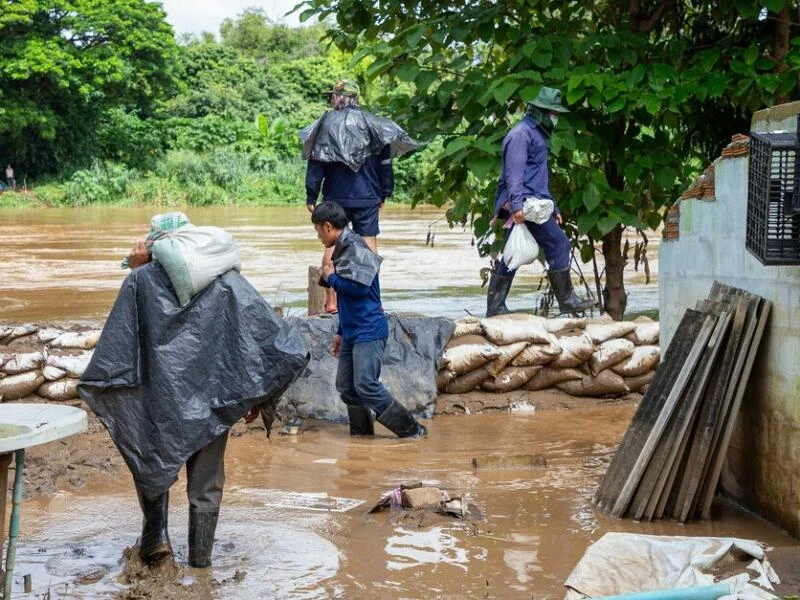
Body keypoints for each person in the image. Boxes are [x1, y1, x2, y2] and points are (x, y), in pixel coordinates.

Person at [78, 215, 309, 569]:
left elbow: (119, 350)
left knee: (152, 461)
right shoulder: (226, 281)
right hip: (213, 401)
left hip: (157, 403)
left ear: (155, 245)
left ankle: (156, 539)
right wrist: (257, 395)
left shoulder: (140, 281)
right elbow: (273, 341)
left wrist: (137, 271)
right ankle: (201, 564)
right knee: (206, 482)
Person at [311, 201, 427, 438]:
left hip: (368, 329)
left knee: (365, 384)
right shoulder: (342, 248)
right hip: (352, 330)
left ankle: (412, 430)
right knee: (346, 386)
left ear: (328, 226)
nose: (318, 237)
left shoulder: (355, 247)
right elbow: (346, 298)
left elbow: (359, 289)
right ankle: (362, 436)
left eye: (317, 231)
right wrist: (340, 331)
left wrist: (331, 277)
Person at [486, 87, 595, 317]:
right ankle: (567, 301)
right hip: (523, 205)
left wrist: (552, 206)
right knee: (559, 244)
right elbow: (513, 175)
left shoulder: (537, 135)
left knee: (510, 253)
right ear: (540, 112)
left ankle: (495, 307)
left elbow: (539, 178)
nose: (555, 117)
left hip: (533, 203)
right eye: (552, 113)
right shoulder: (520, 135)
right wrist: (516, 207)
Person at [304, 80, 394, 314]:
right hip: (368, 196)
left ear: (337, 98)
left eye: (332, 96)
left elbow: (316, 162)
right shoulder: (374, 125)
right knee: (369, 249)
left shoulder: (325, 125)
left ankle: (331, 303)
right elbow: (386, 163)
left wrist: (311, 194)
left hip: (336, 198)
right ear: (356, 98)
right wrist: (386, 191)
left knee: (332, 245)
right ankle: (374, 302)